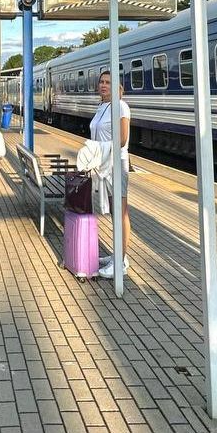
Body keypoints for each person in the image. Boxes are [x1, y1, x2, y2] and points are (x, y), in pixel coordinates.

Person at [91, 71, 131, 280]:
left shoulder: (120, 106)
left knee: (120, 213)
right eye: (101, 82)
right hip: (104, 165)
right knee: (115, 212)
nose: (104, 85)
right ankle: (119, 255)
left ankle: (120, 262)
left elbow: (122, 139)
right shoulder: (102, 106)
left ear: (117, 87)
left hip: (116, 164)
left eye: (108, 82)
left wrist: (99, 151)